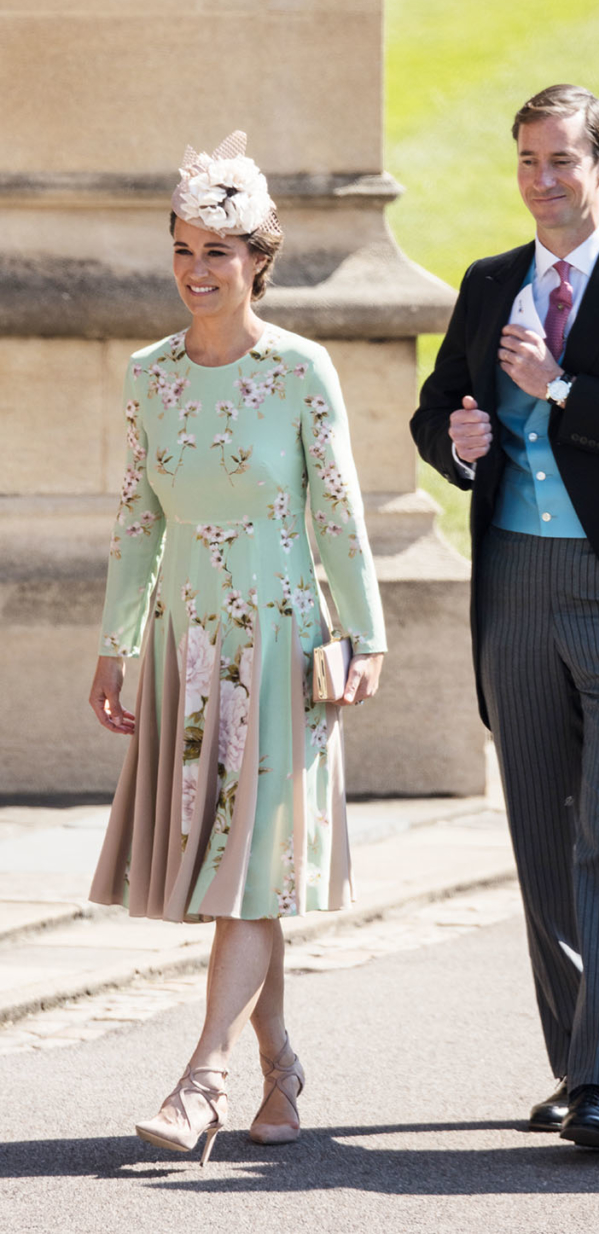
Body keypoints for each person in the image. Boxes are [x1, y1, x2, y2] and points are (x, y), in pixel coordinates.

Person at [410, 85, 599, 1150]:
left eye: (563, 161)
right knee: (543, 845)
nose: (544, 179)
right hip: (516, 587)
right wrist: (459, 439)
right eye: (530, 162)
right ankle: (573, 1058)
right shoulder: (491, 282)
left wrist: (564, 388)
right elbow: (436, 408)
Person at [88, 131, 386, 1165]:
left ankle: (201, 1078)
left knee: (250, 871)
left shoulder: (302, 370)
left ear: (260, 258)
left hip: (282, 648)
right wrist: (117, 642)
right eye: (184, 249)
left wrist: (364, 631)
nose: (197, 271)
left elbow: (339, 512)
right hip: (186, 648)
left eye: (219, 251)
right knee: (239, 876)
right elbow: (138, 518)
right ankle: (278, 1068)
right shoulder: (148, 376)